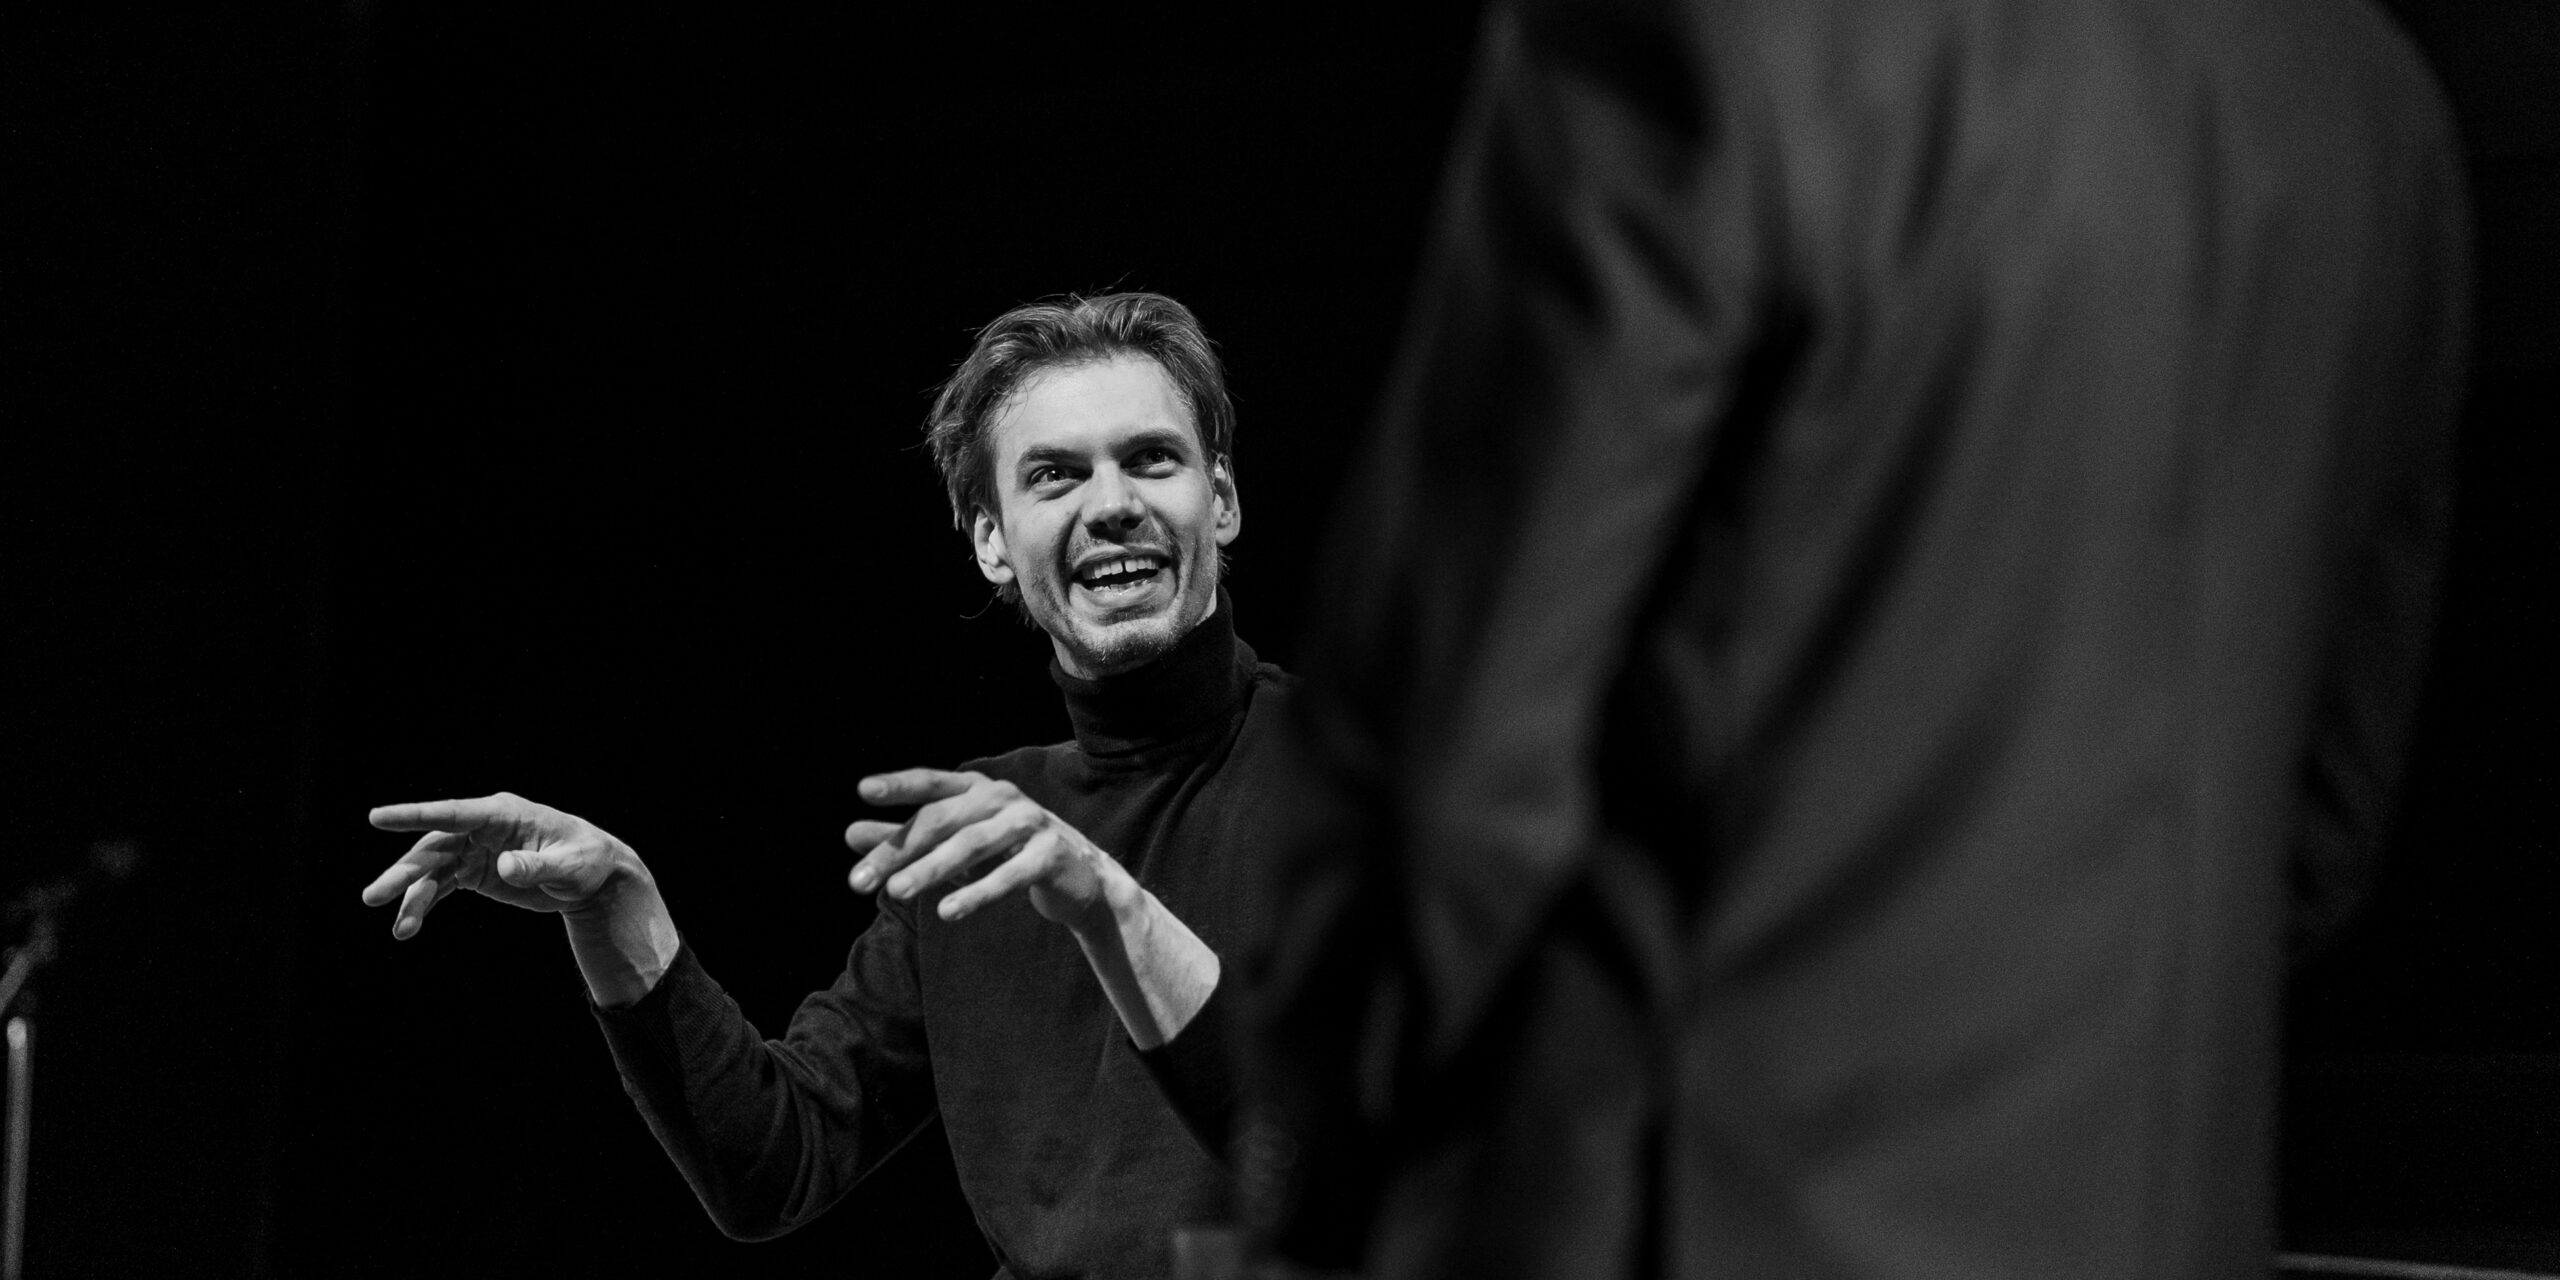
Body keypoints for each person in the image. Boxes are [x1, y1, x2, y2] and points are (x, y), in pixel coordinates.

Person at [1249, 0, 2471, 1275]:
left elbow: (1446, 779)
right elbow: (2322, 827)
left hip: (1690, 1215)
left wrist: (1309, 1162)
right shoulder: (2367, 99)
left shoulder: (1707, 30)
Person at [362, 292, 1287, 1280]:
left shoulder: (1359, 780)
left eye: (1151, 459)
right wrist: (617, 908)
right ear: (992, 542)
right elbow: (777, 1165)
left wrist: (1109, 907)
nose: (1110, 505)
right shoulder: (983, 828)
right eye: (1055, 475)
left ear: (1221, 499)